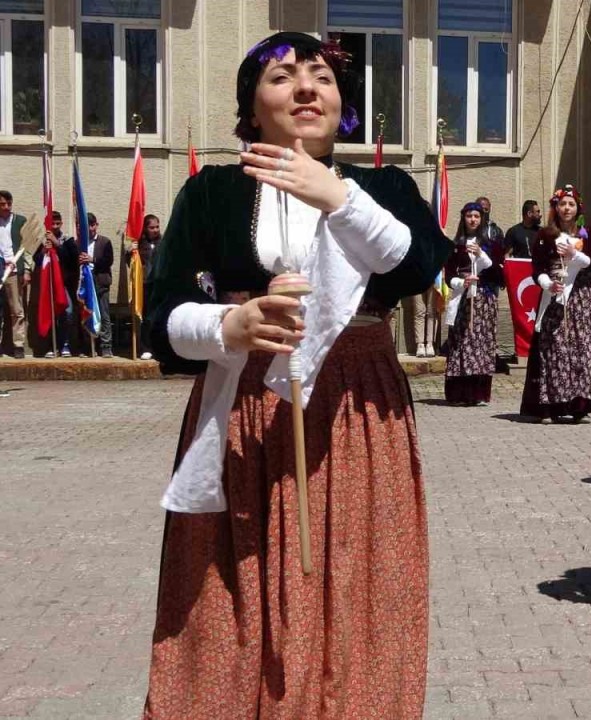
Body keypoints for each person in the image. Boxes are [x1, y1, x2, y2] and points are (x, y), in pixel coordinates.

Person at [140, 33, 450, 719]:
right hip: (247, 410)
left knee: (354, 573)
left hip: (358, 408)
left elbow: (421, 266)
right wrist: (230, 326)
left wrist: (338, 196)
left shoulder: (384, 186)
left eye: (322, 78)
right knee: (238, 582)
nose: (308, 89)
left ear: (341, 104)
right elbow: (159, 322)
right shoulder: (213, 192)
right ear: (252, 107)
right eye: (283, 78)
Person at [519, 185, 591, 423]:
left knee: (581, 349)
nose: (567, 208)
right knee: (554, 349)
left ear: (578, 208)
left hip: (582, 298)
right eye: (562, 204)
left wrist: (575, 255)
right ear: (556, 207)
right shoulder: (546, 235)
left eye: (571, 204)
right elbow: (537, 269)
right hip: (556, 295)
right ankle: (550, 405)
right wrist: (547, 284)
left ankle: (579, 405)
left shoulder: (588, 235)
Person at [443, 202, 502, 405]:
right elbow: (448, 276)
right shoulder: (456, 246)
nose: (473, 220)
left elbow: (498, 274)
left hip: (484, 301)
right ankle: (460, 394)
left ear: (482, 219)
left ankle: (479, 394)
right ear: (464, 219)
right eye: (469, 216)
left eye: (477, 216)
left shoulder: (491, 245)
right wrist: (462, 281)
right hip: (463, 301)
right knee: (463, 344)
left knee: (481, 345)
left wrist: (481, 255)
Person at [29, 211, 79, 358]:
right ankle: (51, 346)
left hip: (63, 284)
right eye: (52, 223)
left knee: (67, 313)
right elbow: (37, 261)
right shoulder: (43, 241)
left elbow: (72, 260)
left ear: (61, 223)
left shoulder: (67, 240)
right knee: (50, 314)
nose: (55, 226)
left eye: (58, 223)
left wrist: (57, 245)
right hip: (48, 284)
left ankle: (65, 344)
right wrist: (45, 249)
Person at [77, 212, 113, 357]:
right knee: (86, 315)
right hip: (85, 284)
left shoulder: (105, 242)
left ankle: (106, 346)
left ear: (96, 225)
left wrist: (93, 260)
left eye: (92, 225)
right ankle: (87, 346)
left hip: (100, 284)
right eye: (87, 226)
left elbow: (108, 261)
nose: (90, 229)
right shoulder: (78, 243)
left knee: (104, 315)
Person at [0, 191, 28, 357]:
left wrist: (27, 270)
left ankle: (18, 345)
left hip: (13, 271)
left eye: (9, 204)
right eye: (2, 204)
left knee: (16, 310)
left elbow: (28, 247)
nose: (6, 207)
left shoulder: (19, 221)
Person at [131, 213, 162, 359]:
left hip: (160, 285)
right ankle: (146, 348)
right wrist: (132, 252)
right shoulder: (139, 245)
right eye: (152, 227)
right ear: (145, 228)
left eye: (157, 227)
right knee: (147, 318)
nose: (155, 230)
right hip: (145, 285)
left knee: (160, 317)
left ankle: (161, 349)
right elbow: (131, 265)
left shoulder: (164, 243)